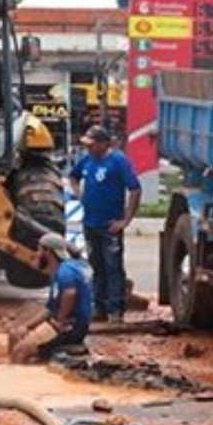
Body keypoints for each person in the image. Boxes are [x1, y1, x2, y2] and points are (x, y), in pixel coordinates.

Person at [68, 125, 140, 323]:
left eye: (92, 145)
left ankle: (116, 309)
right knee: (96, 266)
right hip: (90, 222)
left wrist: (126, 219)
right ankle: (99, 307)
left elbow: (134, 189)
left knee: (113, 267)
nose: (89, 149)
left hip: (110, 225)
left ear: (103, 143)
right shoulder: (87, 160)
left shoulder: (118, 161)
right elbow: (73, 176)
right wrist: (79, 194)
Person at [9, 232, 93, 363]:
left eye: (39, 249)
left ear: (47, 252)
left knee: (21, 350)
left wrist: (60, 320)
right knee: (15, 334)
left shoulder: (64, 272)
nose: (37, 253)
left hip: (71, 328)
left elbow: (70, 293)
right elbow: (49, 308)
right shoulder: (61, 270)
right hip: (61, 323)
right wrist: (27, 326)